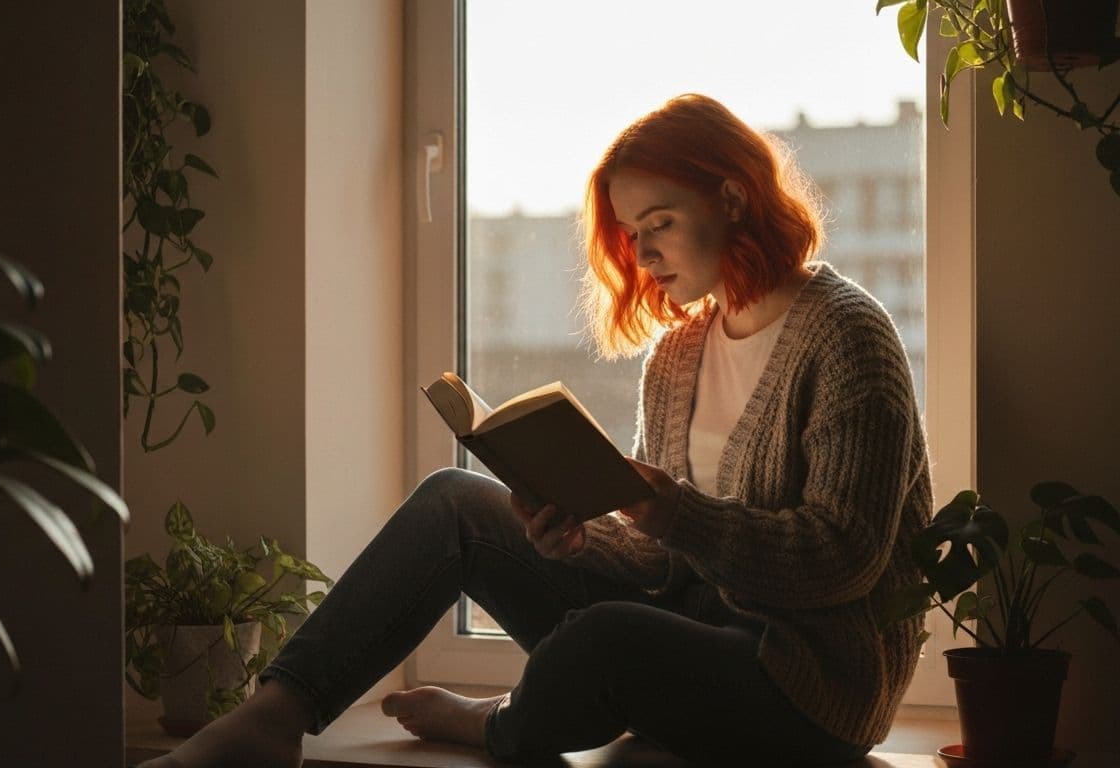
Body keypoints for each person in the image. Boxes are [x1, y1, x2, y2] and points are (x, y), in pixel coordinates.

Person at [142, 93, 932, 768]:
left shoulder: (845, 336)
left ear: (732, 197)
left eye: (660, 220)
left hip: (808, 685)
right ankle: (271, 718)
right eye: (631, 231)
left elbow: (845, 558)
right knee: (455, 501)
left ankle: (497, 723)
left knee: (609, 638)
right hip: (690, 637)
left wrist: (676, 513)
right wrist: (581, 538)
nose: (644, 250)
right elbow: (665, 563)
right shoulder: (679, 355)